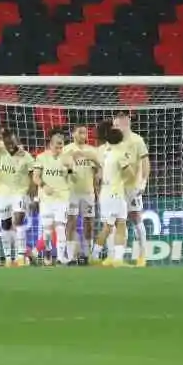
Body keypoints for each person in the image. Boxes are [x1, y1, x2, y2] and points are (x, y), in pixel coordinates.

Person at [92, 120, 135, 267]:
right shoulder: (119, 153)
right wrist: (124, 179)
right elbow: (130, 173)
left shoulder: (106, 152)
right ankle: (96, 255)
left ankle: (116, 259)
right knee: (111, 226)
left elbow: (98, 174)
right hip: (115, 193)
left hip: (107, 192)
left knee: (118, 224)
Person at [31, 129, 76, 266]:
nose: (59, 148)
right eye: (56, 146)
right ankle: (46, 252)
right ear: (50, 145)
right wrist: (44, 186)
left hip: (62, 197)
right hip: (46, 199)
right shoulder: (41, 157)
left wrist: (68, 169)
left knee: (60, 227)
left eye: (61, 146)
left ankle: (61, 258)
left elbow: (73, 179)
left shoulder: (68, 158)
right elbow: (35, 177)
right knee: (47, 232)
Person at [111, 111, 150, 266]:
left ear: (125, 123)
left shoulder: (137, 140)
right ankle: (120, 257)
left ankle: (142, 256)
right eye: (113, 125)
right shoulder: (113, 142)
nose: (115, 127)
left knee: (136, 218)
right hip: (116, 187)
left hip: (132, 186)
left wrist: (143, 182)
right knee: (118, 221)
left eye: (117, 125)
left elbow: (145, 162)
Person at [0, 130, 34, 266]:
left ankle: (21, 256)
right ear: (3, 142)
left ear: (17, 141)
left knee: (18, 219)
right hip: (2, 193)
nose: (11, 145)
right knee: (5, 225)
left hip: (19, 193)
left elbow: (33, 176)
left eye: (13, 142)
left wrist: (33, 197)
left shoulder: (26, 156)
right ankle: (8, 258)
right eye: (8, 142)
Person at [63, 123, 98, 264]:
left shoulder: (92, 151)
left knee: (88, 222)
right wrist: (71, 171)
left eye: (85, 132)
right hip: (71, 192)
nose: (84, 135)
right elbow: (63, 169)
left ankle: (86, 254)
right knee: (70, 222)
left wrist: (97, 188)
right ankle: (70, 255)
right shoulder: (66, 150)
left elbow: (97, 171)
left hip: (88, 192)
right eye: (80, 132)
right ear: (73, 134)